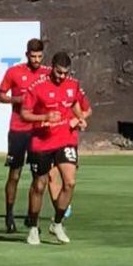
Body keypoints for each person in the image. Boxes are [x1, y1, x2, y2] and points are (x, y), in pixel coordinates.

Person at [21, 52, 91, 245]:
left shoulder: (73, 85)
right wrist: (44, 118)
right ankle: (33, 227)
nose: (62, 77)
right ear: (52, 67)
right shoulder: (37, 87)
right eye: (59, 72)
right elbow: (25, 114)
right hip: (41, 142)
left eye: (65, 73)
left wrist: (80, 118)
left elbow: (81, 106)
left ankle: (57, 223)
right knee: (39, 185)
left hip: (65, 139)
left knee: (70, 183)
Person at [0, 38, 51, 232]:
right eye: (33, 56)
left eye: (39, 56)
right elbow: (0, 95)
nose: (36, 59)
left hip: (39, 130)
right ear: (27, 54)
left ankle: (32, 216)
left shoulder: (47, 74)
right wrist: (18, 99)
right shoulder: (14, 72)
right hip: (18, 129)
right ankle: (9, 214)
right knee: (15, 174)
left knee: (39, 176)